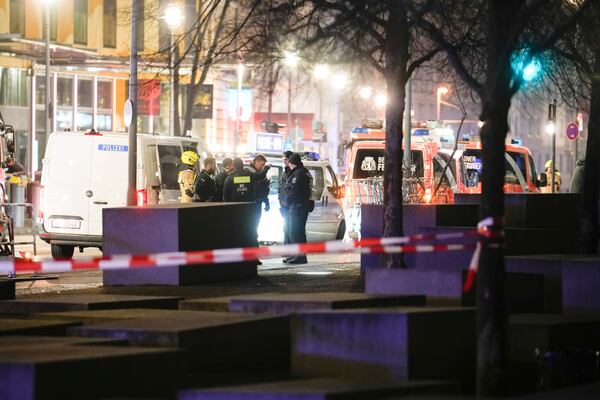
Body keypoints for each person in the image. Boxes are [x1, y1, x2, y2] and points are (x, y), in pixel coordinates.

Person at [282, 153, 313, 264]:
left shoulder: (298, 174)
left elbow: (294, 191)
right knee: (294, 231)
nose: (288, 164)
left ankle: (299, 257)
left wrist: (286, 201)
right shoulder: (298, 172)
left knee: (296, 232)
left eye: (289, 162)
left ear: (293, 163)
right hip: (296, 207)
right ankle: (296, 255)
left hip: (298, 207)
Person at [279, 151, 294, 244]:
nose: (284, 161)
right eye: (283, 160)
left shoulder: (294, 173)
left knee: (291, 229)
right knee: (286, 228)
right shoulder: (285, 172)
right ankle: (287, 250)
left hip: (291, 205)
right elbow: (281, 187)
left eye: (286, 159)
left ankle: (291, 252)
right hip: (284, 205)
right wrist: (280, 200)